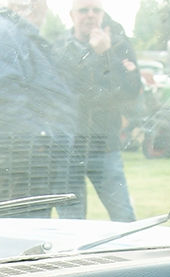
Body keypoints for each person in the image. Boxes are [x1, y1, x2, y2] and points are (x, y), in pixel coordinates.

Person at [0, 0, 79, 217]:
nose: (46, 9)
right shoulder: (4, 33)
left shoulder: (17, 32)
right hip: (26, 149)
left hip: (34, 147)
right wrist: (38, 138)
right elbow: (5, 95)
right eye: (42, 4)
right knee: (23, 223)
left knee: (31, 220)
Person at [56, 3, 140, 221]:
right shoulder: (59, 48)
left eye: (96, 10)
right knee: (71, 223)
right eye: (84, 10)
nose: (90, 15)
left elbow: (131, 89)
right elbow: (69, 91)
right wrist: (97, 55)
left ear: (103, 14)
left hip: (105, 146)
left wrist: (106, 54)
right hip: (69, 148)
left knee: (124, 219)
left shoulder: (119, 44)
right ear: (72, 14)